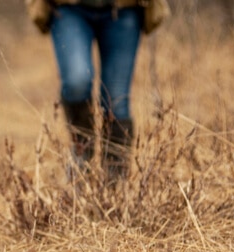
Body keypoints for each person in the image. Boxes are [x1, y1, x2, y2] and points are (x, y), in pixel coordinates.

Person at [26, 0, 170, 180]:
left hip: (124, 9)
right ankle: (81, 159)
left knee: (116, 101)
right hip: (68, 8)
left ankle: (114, 189)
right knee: (76, 82)